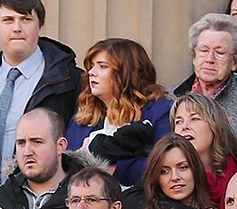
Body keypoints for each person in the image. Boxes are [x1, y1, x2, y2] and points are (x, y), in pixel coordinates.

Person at [0, 0, 82, 181]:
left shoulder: (70, 81)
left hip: (44, 198)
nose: (17, 28)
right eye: (8, 20)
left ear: (40, 27)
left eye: (26, 19)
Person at [67, 37, 171, 187]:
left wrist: (113, 169)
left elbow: (166, 165)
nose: (91, 72)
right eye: (91, 66)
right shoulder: (84, 118)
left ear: (127, 73)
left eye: (102, 66)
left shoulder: (159, 111)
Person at [172, 14, 237, 159]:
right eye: (204, 50)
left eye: (220, 52)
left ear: (234, 62)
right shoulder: (170, 96)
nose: (209, 59)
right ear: (194, 57)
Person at [167, 91, 237, 203]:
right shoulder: (165, 171)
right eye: (178, 121)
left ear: (215, 127)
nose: (184, 127)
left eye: (195, 119)